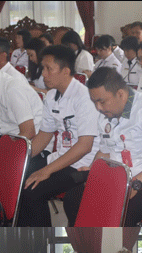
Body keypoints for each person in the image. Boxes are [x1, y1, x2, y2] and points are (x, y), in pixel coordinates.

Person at [16, 45, 100, 226]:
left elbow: (85, 146)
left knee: (32, 190)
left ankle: (43, 236)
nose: (43, 74)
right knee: (17, 179)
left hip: (82, 165)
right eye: (43, 68)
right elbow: (44, 135)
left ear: (66, 71)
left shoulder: (84, 98)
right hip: (61, 158)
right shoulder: (52, 96)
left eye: (49, 69)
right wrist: (20, 159)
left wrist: (46, 171)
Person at [79, 67, 142, 225]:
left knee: (118, 213)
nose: (98, 108)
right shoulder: (105, 114)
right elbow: (105, 151)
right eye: (94, 102)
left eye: (102, 101)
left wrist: (135, 184)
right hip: (117, 178)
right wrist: (92, 171)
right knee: (75, 199)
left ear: (121, 94)